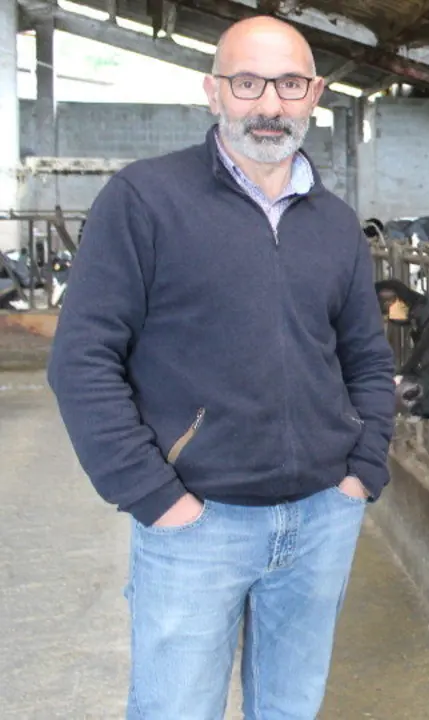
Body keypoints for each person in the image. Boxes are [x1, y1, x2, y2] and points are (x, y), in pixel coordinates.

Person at [45, 15, 396, 719]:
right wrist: (156, 497)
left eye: (290, 84)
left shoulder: (336, 223)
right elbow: (81, 360)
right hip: (197, 522)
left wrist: (361, 473)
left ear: (315, 94)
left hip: (321, 517)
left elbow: (366, 355)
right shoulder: (145, 200)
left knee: (290, 708)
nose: (269, 104)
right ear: (213, 92)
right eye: (247, 83)